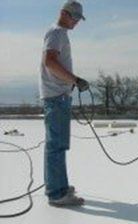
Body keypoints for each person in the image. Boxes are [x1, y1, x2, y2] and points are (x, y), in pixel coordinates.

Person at [39, 0, 89, 206]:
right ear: (64, 13)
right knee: (56, 145)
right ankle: (57, 193)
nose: (76, 22)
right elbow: (49, 61)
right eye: (75, 17)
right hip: (56, 96)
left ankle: (57, 185)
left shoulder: (58, 33)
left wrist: (71, 82)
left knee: (57, 144)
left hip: (59, 95)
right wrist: (74, 80)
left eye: (79, 19)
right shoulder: (57, 32)